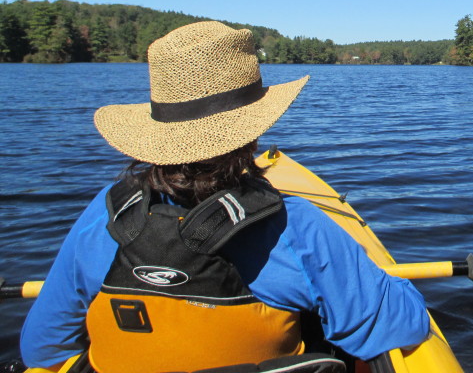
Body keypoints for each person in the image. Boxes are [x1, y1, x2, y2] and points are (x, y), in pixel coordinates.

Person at [20, 21, 430, 373]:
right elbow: (402, 324)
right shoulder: (294, 229)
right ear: (251, 132)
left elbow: (42, 347)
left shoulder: (106, 215)